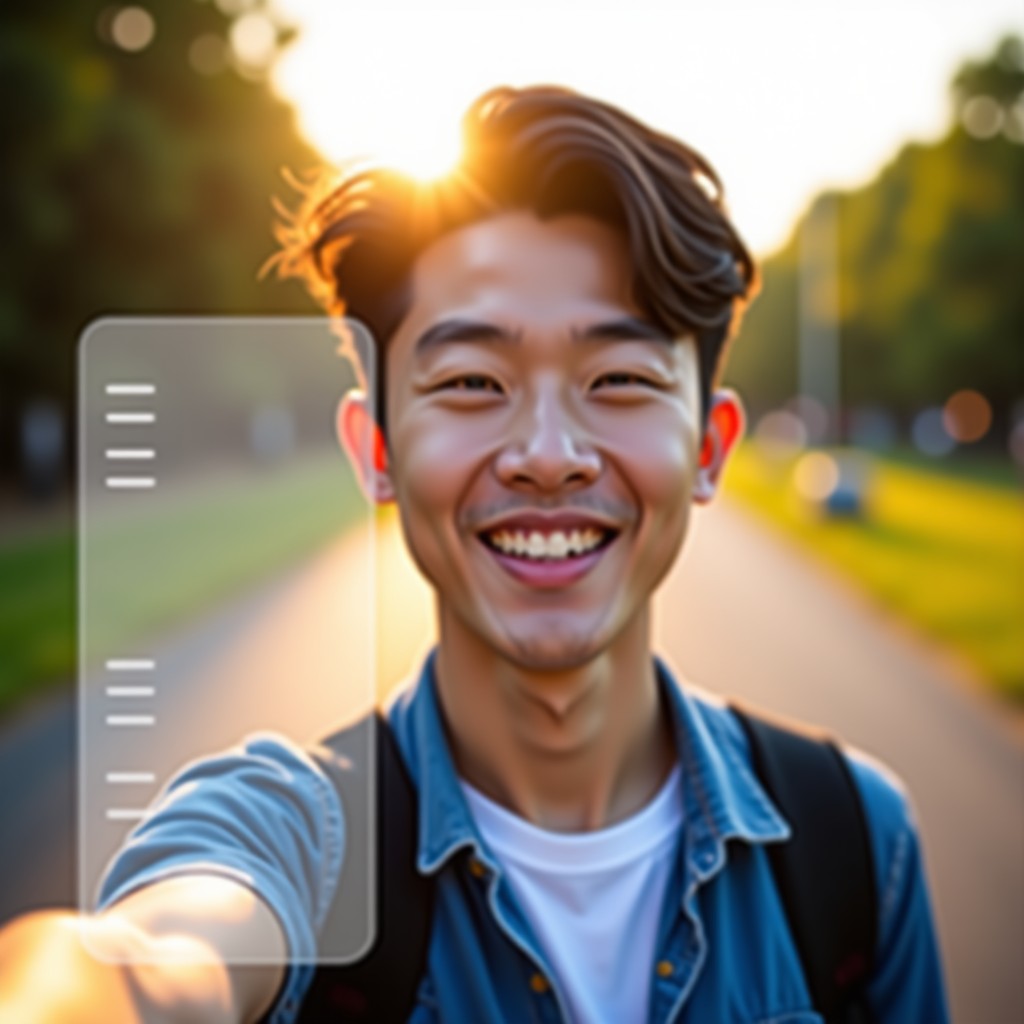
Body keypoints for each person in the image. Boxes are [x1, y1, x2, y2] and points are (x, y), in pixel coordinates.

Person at [0, 85, 949, 1024]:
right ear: (375, 450)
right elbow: (151, 957)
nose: (547, 455)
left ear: (709, 447)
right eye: (470, 381)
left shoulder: (860, 843)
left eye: (618, 379)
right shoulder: (293, 834)